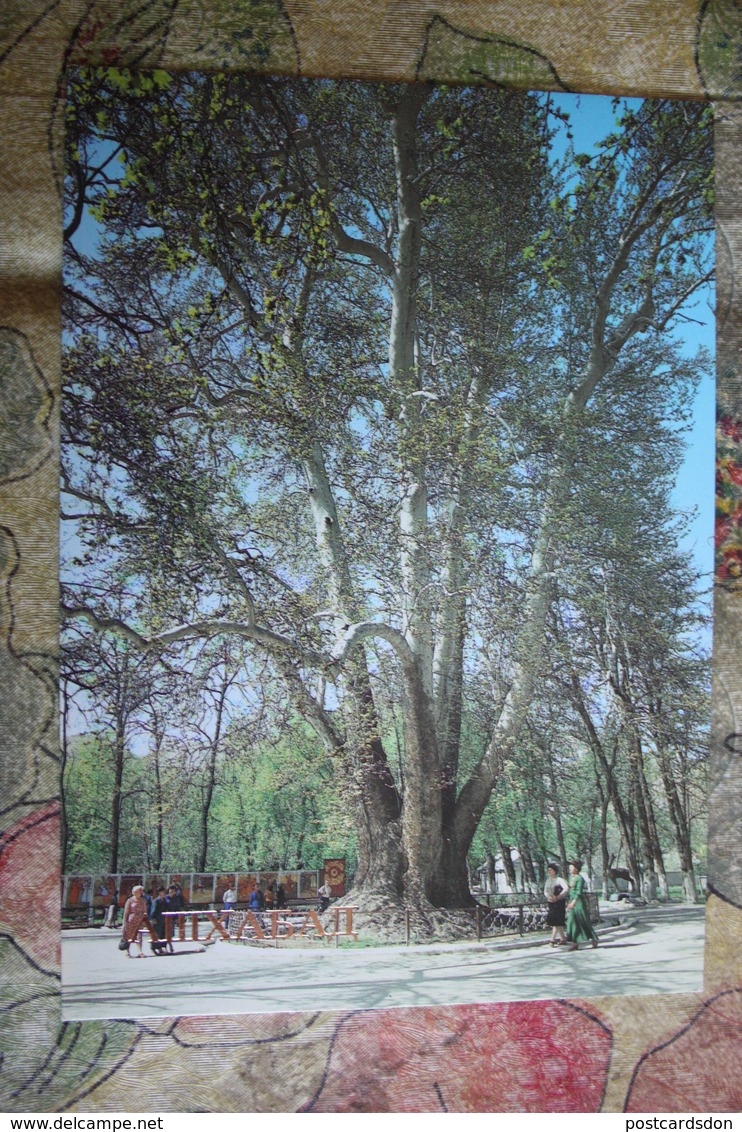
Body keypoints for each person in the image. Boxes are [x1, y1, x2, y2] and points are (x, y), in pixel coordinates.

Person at [565, 860, 599, 951]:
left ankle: (594, 938)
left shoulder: (580, 878)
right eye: (570, 868)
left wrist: (573, 902)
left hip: (578, 902)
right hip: (573, 901)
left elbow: (579, 892)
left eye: (572, 867)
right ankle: (574, 942)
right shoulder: (573, 878)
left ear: (576, 868)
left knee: (583, 920)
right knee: (572, 921)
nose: (570, 869)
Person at [120, 884, 149, 958]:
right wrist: (125, 922)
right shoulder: (130, 900)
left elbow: (145, 911)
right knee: (128, 936)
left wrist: (145, 920)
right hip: (131, 921)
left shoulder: (143, 900)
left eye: (141, 891)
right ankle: (127, 952)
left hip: (140, 921)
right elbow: (126, 912)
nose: (140, 892)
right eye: (139, 891)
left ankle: (140, 951)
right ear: (134, 892)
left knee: (139, 936)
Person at [544, 862, 568, 946]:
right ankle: (563, 938)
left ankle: (552, 940)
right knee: (556, 921)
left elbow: (566, 888)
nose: (549, 872)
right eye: (548, 870)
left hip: (559, 902)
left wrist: (559, 896)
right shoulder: (548, 881)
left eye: (550, 870)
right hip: (551, 902)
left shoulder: (559, 880)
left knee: (556, 921)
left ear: (554, 871)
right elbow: (545, 891)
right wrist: (548, 897)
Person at [149, 886, 169, 954]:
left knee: (162, 934)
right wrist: (153, 918)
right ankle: (153, 948)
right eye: (163, 892)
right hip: (157, 920)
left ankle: (161, 947)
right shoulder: (156, 901)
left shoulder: (164, 900)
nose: (164, 893)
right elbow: (153, 910)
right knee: (156, 935)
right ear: (159, 892)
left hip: (163, 920)